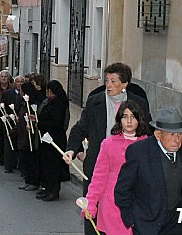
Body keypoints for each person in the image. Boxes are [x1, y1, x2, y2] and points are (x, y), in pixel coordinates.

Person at [64, 63, 151, 234]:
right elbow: (80, 128)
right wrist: (72, 149)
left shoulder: (138, 103)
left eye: (113, 81)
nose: (108, 85)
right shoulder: (95, 101)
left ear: (125, 84)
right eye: (107, 80)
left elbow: (147, 130)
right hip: (98, 164)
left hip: (129, 170)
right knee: (91, 213)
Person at [114, 108, 182, 235]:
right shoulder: (139, 152)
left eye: (180, 134)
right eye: (171, 134)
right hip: (148, 226)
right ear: (158, 135)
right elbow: (122, 190)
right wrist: (132, 220)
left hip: (177, 225)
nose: (177, 140)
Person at [84, 101, 148, 235]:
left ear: (139, 119)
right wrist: (90, 203)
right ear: (120, 119)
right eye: (125, 117)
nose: (129, 121)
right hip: (112, 205)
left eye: (133, 117)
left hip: (139, 205)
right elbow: (98, 178)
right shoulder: (108, 144)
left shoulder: (147, 144)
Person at [36, 80, 70, 201]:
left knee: (53, 167)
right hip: (47, 139)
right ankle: (47, 189)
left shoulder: (58, 103)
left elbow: (56, 122)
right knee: (46, 165)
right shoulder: (51, 101)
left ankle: (54, 191)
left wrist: (39, 123)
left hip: (55, 139)